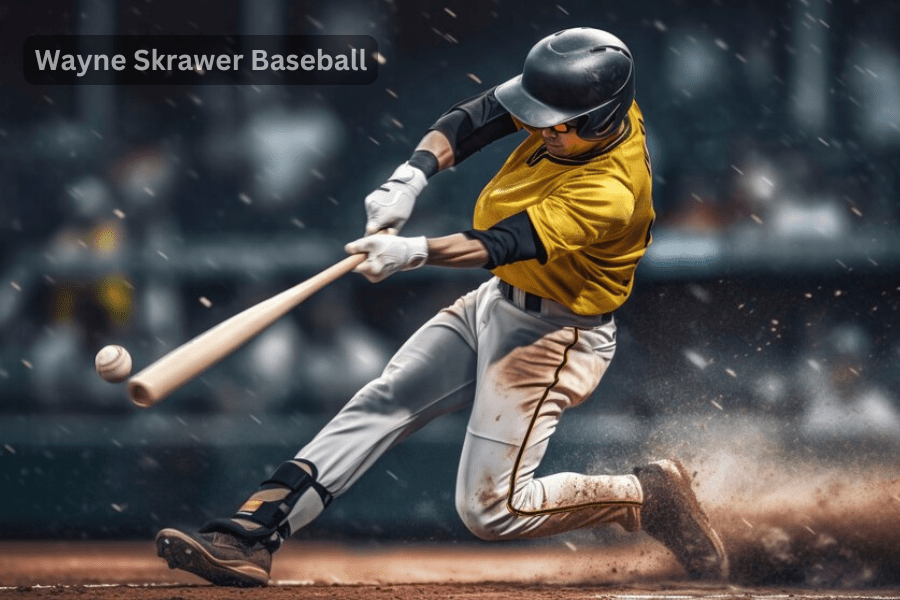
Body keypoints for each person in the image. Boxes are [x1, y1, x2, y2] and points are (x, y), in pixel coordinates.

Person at [156, 27, 729, 586]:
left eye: (559, 126)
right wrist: (409, 178)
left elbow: (498, 243)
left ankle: (647, 498)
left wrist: (413, 251)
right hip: (497, 301)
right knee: (382, 402)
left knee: (492, 509)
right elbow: (479, 115)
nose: (543, 130)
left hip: (555, 334)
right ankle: (252, 537)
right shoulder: (583, 107)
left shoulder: (609, 190)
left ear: (602, 117)